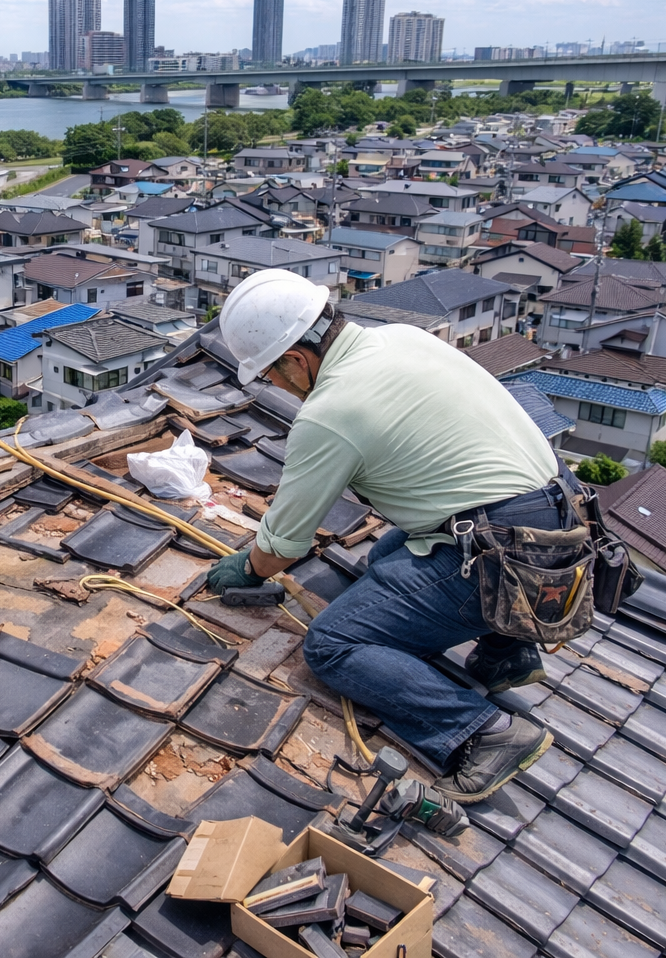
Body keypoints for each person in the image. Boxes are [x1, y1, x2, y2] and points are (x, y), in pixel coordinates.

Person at [205, 269, 573, 803]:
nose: (276, 387)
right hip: (565, 527)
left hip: (505, 557)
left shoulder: (331, 411)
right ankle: (507, 650)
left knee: (333, 644)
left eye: (271, 375)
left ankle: (488, 733)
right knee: (386, 553)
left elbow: (284, 544)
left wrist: (247, 567)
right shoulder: (404, 338)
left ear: (297, 360)